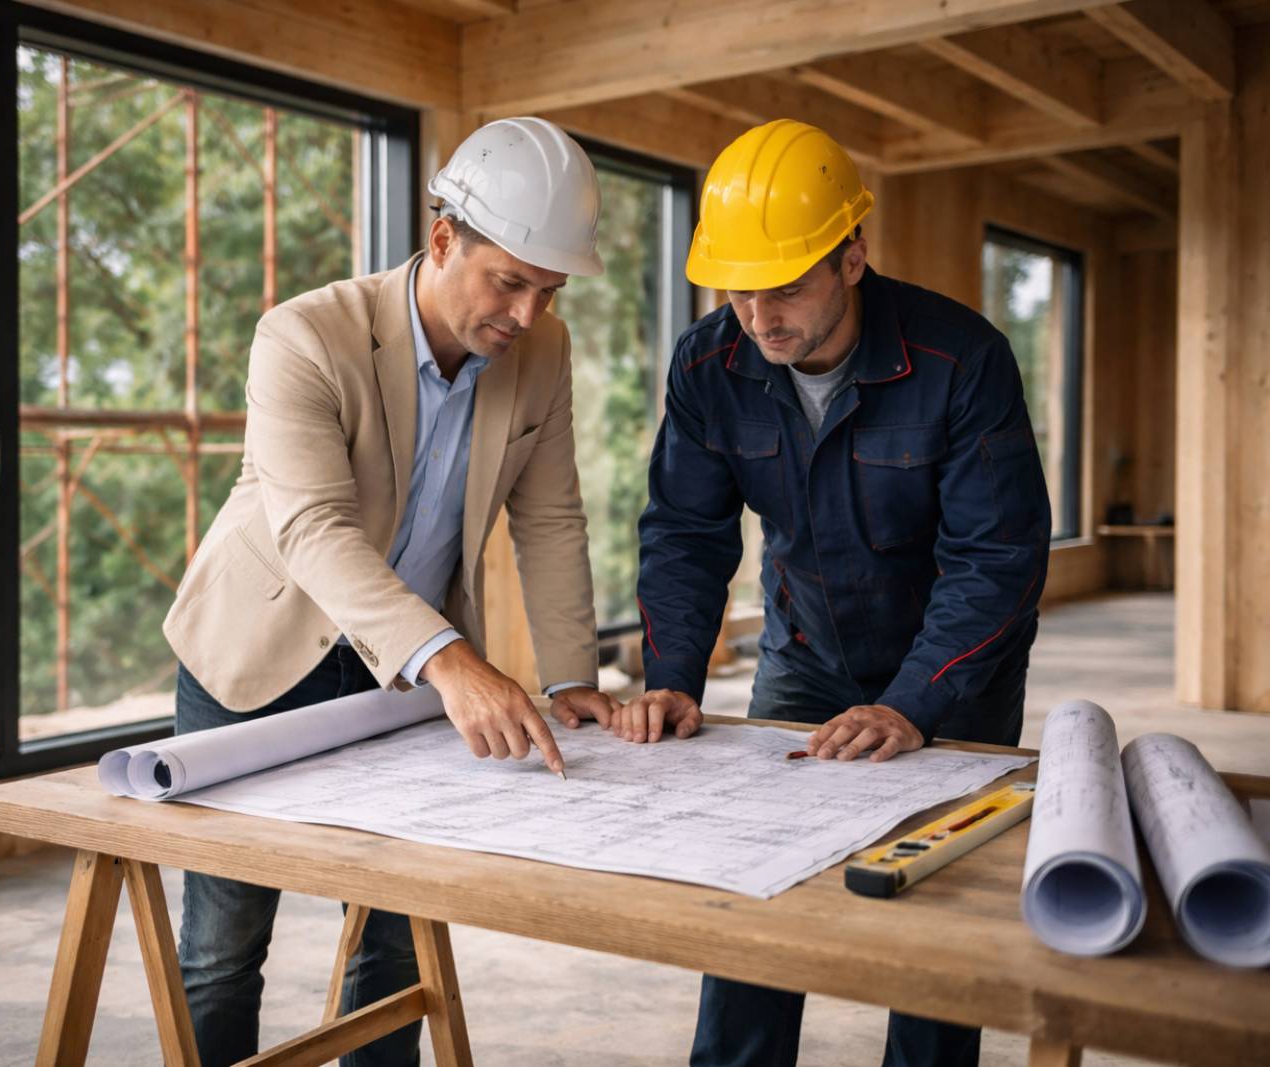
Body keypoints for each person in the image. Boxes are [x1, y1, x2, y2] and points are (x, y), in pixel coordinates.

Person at [160, 116, 621, 1067]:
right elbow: (314, 532)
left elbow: (550, 519)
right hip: (259, 654)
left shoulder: (543, 352)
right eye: (509, 282)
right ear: (443, 237)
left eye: (549, 289)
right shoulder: (304, 335)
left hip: (398, 680)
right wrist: (454, 662)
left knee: (392, 934)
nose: (528, 315)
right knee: (224, 944)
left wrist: (572, 673)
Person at [622, 119, 1051, 1067]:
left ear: (852, 255)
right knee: (758, 899)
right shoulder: (709, 363)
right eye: (738, 288)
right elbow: (686, 533)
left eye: (785, 285)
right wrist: (673, 675)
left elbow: (998, 559)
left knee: (932, 923)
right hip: (805, 658)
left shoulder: (961, 360)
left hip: (950, 675)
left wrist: (911, 707)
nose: (759, 315)